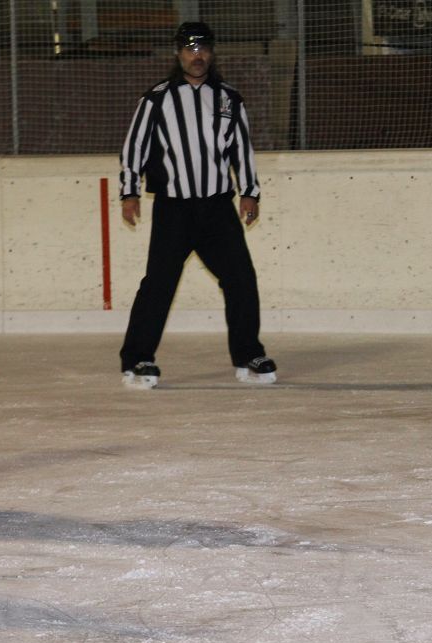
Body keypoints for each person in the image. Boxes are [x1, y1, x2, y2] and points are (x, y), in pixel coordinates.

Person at [117, 21, 276, 389]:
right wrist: (129, 193)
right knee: (158, 285)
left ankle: (248, 355)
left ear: (212, 52)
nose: (197, 55)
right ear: (178, 53)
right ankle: (137, 359)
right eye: (190, 49)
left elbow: (242, 149)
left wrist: (249, 191)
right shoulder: (156, 99)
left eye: (203, 48)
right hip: (174, 209)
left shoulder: (229, 98)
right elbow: (134, 148)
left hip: (218, 209)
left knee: (241, 279)